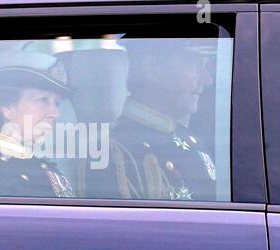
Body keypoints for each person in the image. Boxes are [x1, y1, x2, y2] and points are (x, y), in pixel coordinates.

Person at [82, 39, 217, 201]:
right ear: (152, 69)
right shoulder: (114, 152)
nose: (207, 79)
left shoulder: (189, 138)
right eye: (195, 64)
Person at [0, 51, 76, 198]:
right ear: (7, 108)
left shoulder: (40, 165)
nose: (55, 113)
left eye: (56, 103)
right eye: (43, 100)